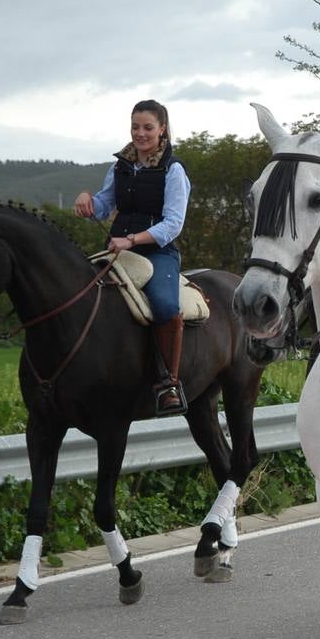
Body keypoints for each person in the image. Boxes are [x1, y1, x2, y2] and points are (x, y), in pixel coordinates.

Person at [74, 99, 192, 416]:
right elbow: (102, 205)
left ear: (162, 129)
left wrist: (132, 240)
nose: (140, 134)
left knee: (166, 305)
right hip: (117, 248)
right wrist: (87, 200)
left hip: (157, 252)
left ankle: (169, 382)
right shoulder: (121, 166)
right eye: (135, 127)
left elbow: (172, 225)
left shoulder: (173, 170)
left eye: (148, 128)